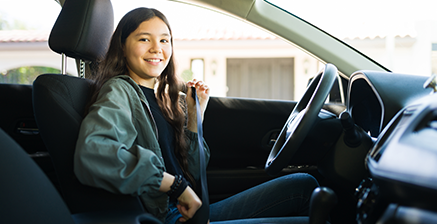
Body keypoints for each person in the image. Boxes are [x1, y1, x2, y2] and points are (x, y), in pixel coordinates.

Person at [74, 7, 319, 224]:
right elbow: (94, 152)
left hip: (190, 209)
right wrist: (176, 186)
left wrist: (194, 115)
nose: (156, 49)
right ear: (123, 46)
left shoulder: (163, 96)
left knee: (304, 185)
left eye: (164, 40)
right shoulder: (119, 90)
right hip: (164, 215)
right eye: (144, 39)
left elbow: (191, 169)